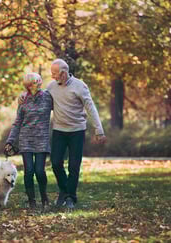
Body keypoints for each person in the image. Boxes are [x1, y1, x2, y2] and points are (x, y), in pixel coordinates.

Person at [19, 59, 107, 209]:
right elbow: (38, 97)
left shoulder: (80, 86)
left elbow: (91, 108)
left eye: (54, 73)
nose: (52, 76)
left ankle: (70, 198)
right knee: (55, 164)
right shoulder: (52, 87)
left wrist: (99, 130)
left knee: (74, 166)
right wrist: (23, 95)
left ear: (63, 73)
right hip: (59, 131)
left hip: (77, 131)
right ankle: (65, 190)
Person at [5, 72, 53, 209]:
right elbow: (18, 122)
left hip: (41, 139)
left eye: (37, 81)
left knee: (39, 170)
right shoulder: (23, 100)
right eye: (32, 83)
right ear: (28, 85)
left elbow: (61, 107)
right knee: (29, 171)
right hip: (25, 139)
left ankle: (44, 198)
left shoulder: (48, 97)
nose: (36, 84)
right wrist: (10, 140)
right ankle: (32, 201)